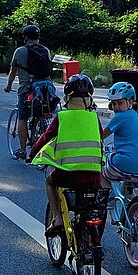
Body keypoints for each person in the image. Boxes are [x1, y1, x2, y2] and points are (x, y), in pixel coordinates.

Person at [30, 75, 106, 235]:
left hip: (68, 173)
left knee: (50, 181)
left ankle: (57, 218)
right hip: (93, 174)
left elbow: (45, 137)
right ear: (90, 100)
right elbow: (100, 141)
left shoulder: (62, 117)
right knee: (93, 202)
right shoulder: (94, 117)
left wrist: (32, 154)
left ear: (67, 98)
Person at [4, 24, 56, 160]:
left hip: (27, 90)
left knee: (22, 118)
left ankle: (22, 150)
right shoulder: (46, 50)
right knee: (45, 113)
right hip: (45, 88)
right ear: (38, 37)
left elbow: (13, 72)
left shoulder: (20, 51)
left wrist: (8, 86)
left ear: (25, 37)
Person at [100, 81, 138, 189]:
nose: (116, 107)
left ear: (130, 102)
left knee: (102, 162)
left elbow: (101, 135)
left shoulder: (120, 117)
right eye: (113, 104)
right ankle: (130, 200)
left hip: (126, 164)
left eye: (120, 103)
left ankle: (107, 196)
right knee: (127, 178)